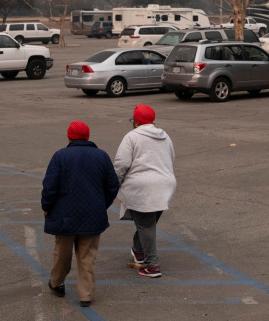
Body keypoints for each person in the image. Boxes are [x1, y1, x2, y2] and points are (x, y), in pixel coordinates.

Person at [41, 121, 119, 307]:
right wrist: (102, 205)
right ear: (87, 136)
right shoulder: (102, 156)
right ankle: (86, 295)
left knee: (62, 254)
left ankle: (56, 282)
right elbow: (112, 186)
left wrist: (47, 206)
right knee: (87, 257)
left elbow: (50, 186)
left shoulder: (60, 156)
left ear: (69, 136)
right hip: (93, 216)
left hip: (65, 216)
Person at [113, 104, 176, 278]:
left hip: (142, 187)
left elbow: (121, 164)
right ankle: (139, 251)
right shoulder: (164, 136)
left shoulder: (132, 137)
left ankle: (152, 265)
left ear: (135, 122)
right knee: (147, 224)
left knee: (145, 225)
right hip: (165, 185)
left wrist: (113, 185)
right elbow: (171, 158)